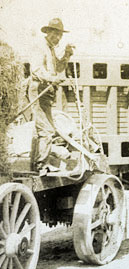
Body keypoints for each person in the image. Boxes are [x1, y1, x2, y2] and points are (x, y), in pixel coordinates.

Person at [29, 18, 74, 175]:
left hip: (47, 94)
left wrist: (67, 55)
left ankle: (39, 163)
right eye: (55, 34)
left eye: (60, 35)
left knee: (45, 129)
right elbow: (36, 70)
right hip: (39, 92)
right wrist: (52, 79)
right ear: (47, 32)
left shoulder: (51, 49)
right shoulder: (39, 48)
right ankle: (40, 166)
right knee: (46, 130)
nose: (58, 37)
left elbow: (58, 68)